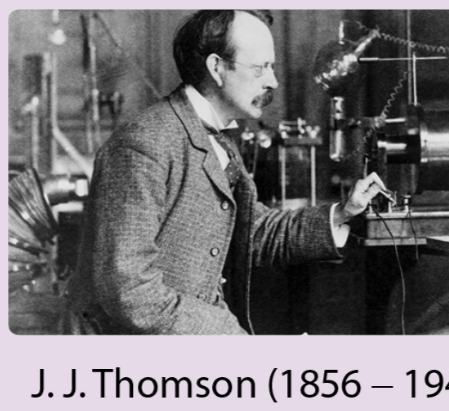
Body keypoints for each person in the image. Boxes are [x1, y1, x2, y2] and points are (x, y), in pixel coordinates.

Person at [63, 10, 386, 335]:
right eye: (260, 68)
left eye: (272, 68)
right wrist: (230, 336)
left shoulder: (218, 139)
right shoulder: (143, 144)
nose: (272, 82)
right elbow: (129, 291)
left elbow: (253, 231)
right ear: (216, 68)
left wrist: (342, 213)